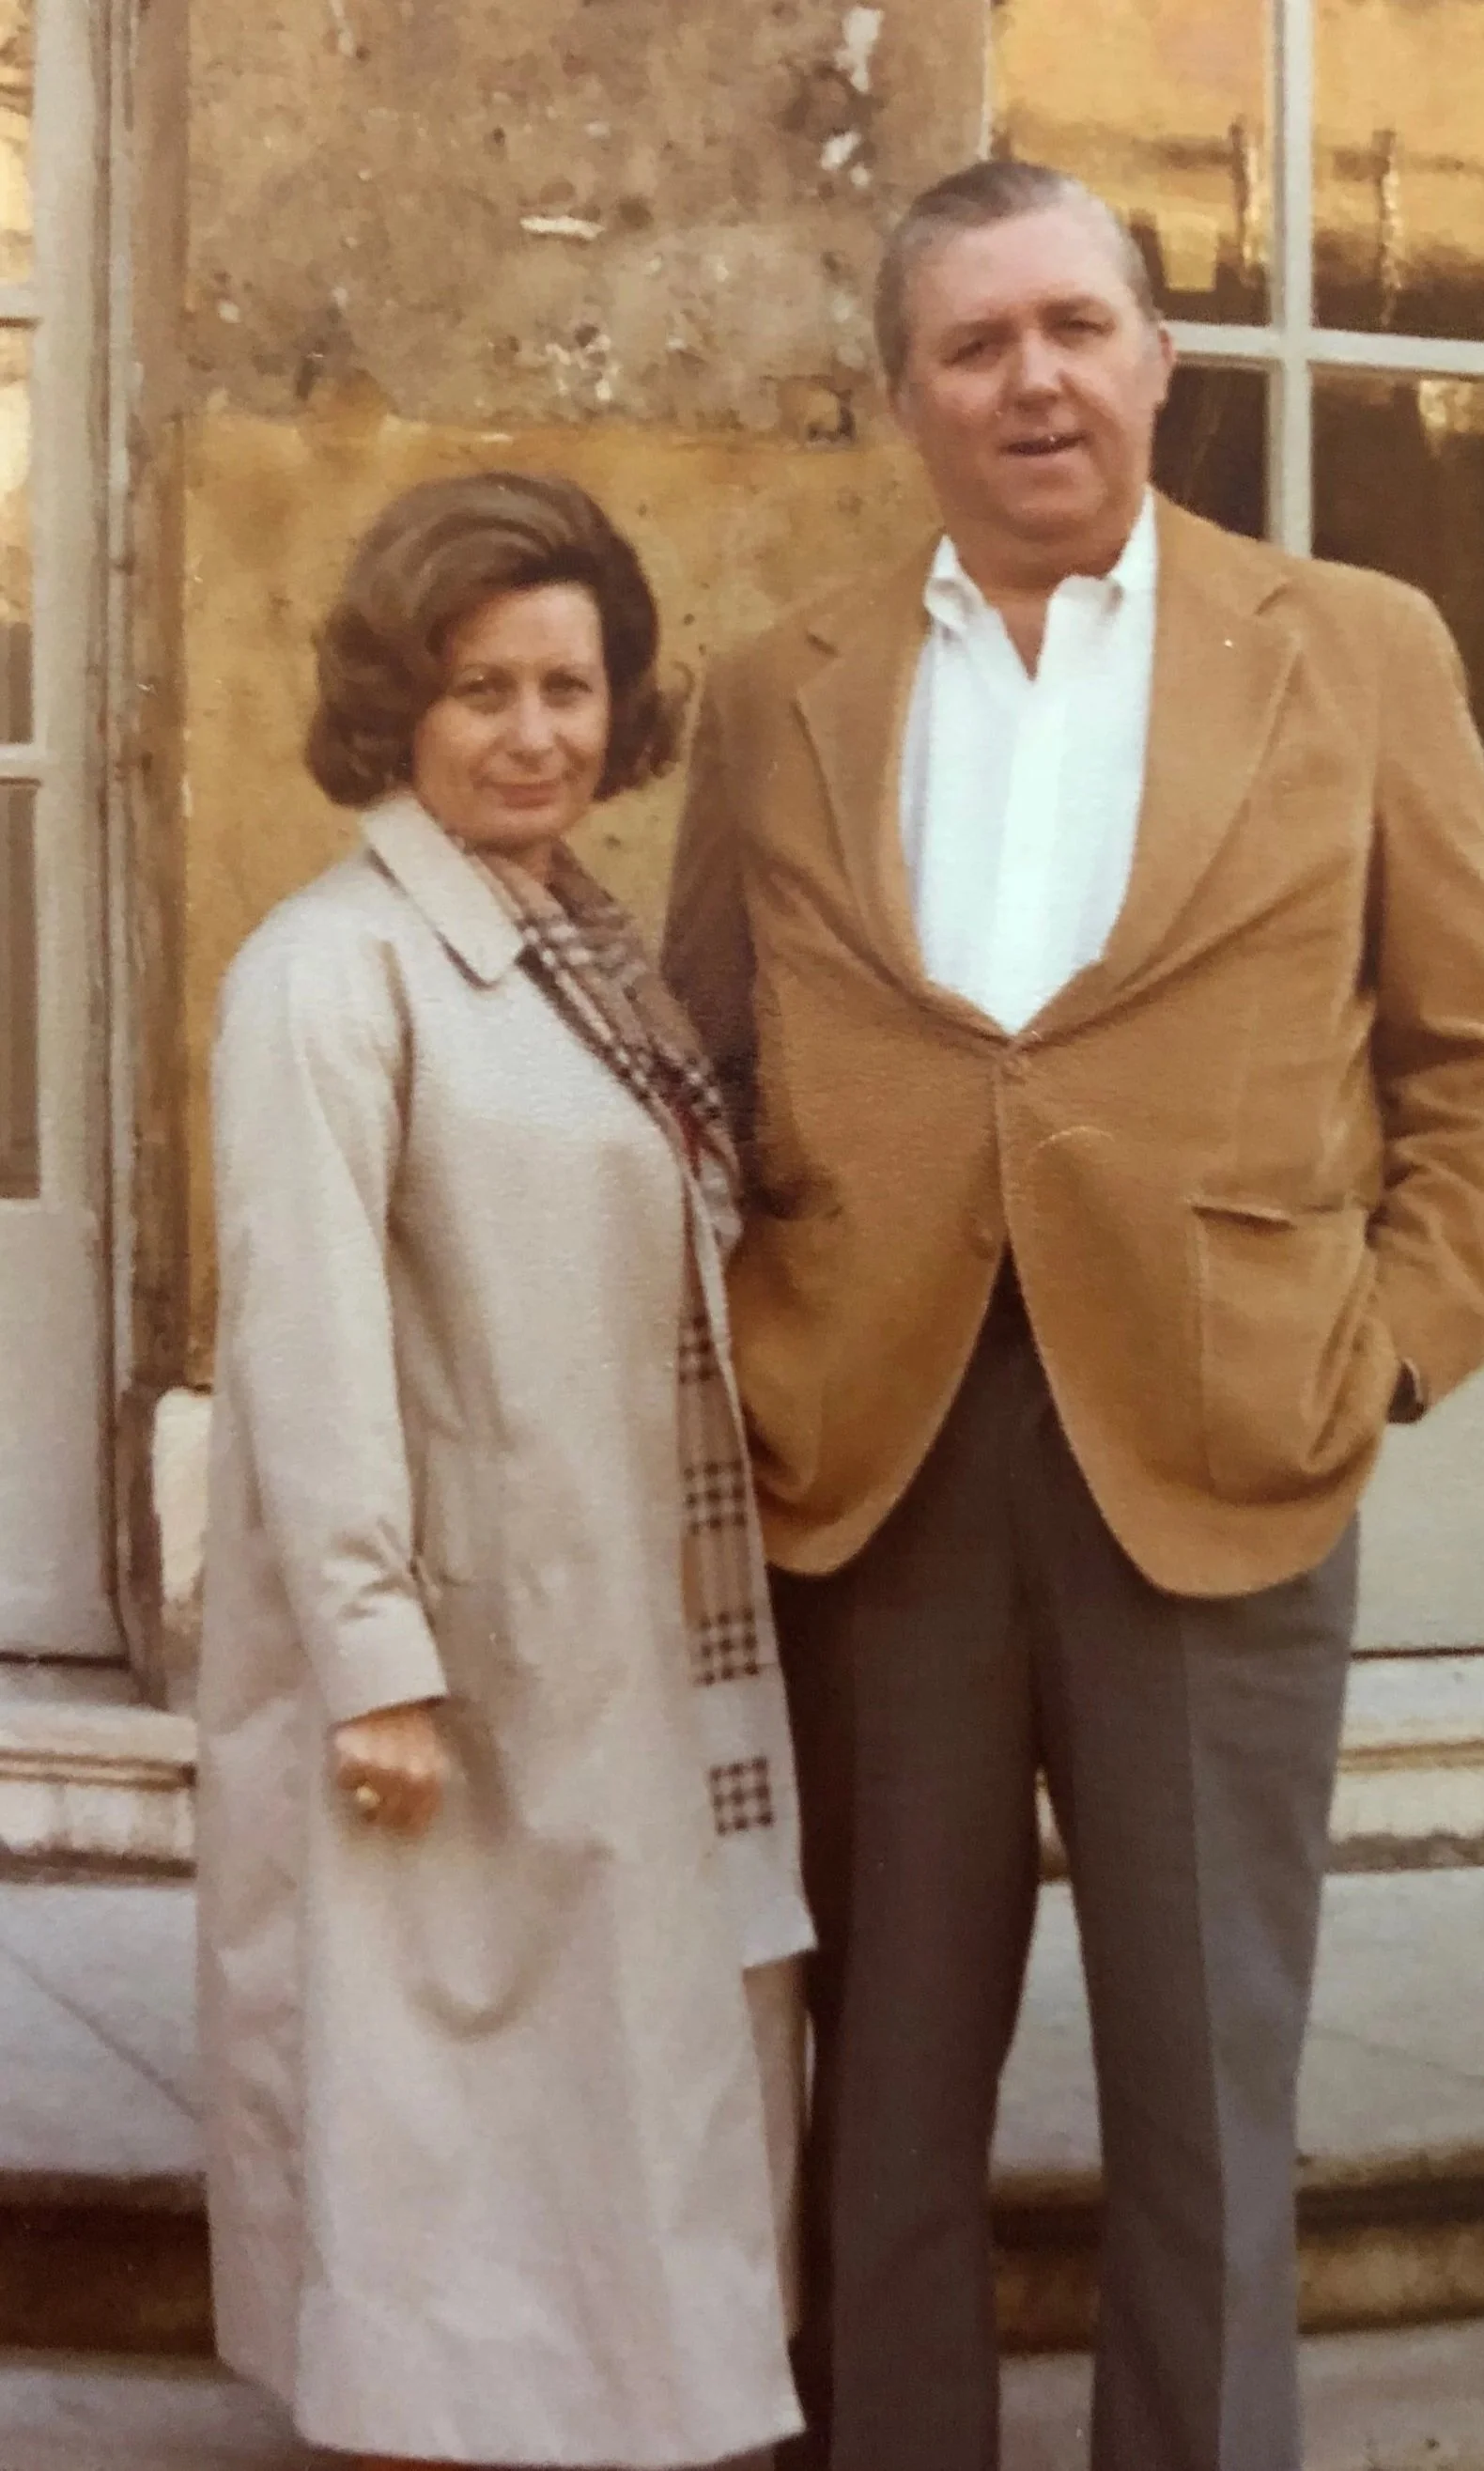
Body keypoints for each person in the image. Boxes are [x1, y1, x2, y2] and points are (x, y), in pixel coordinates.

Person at [661, 161, 1484, 2471]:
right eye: (971, 345)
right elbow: (705, 1065)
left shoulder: (1349, 646)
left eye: (1072, 325)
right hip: (879, 1467)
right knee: (879, 2093)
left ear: (1158, 354)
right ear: (902, 397)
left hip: (1223, 1452)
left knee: (1202, 2090)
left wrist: (1385, 1346)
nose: (1030, 379)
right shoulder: (782, 689)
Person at [197, 469, 812, 2471]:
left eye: (571, 685)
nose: (536, 731)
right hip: (457, 1646)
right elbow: (303, 1338)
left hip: (622, 1609)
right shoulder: (330, 966)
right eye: (483, 690)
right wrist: (373, 1650)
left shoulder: (573, 942)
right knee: (437, 2132)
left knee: (602, 2107)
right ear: (399, 707)